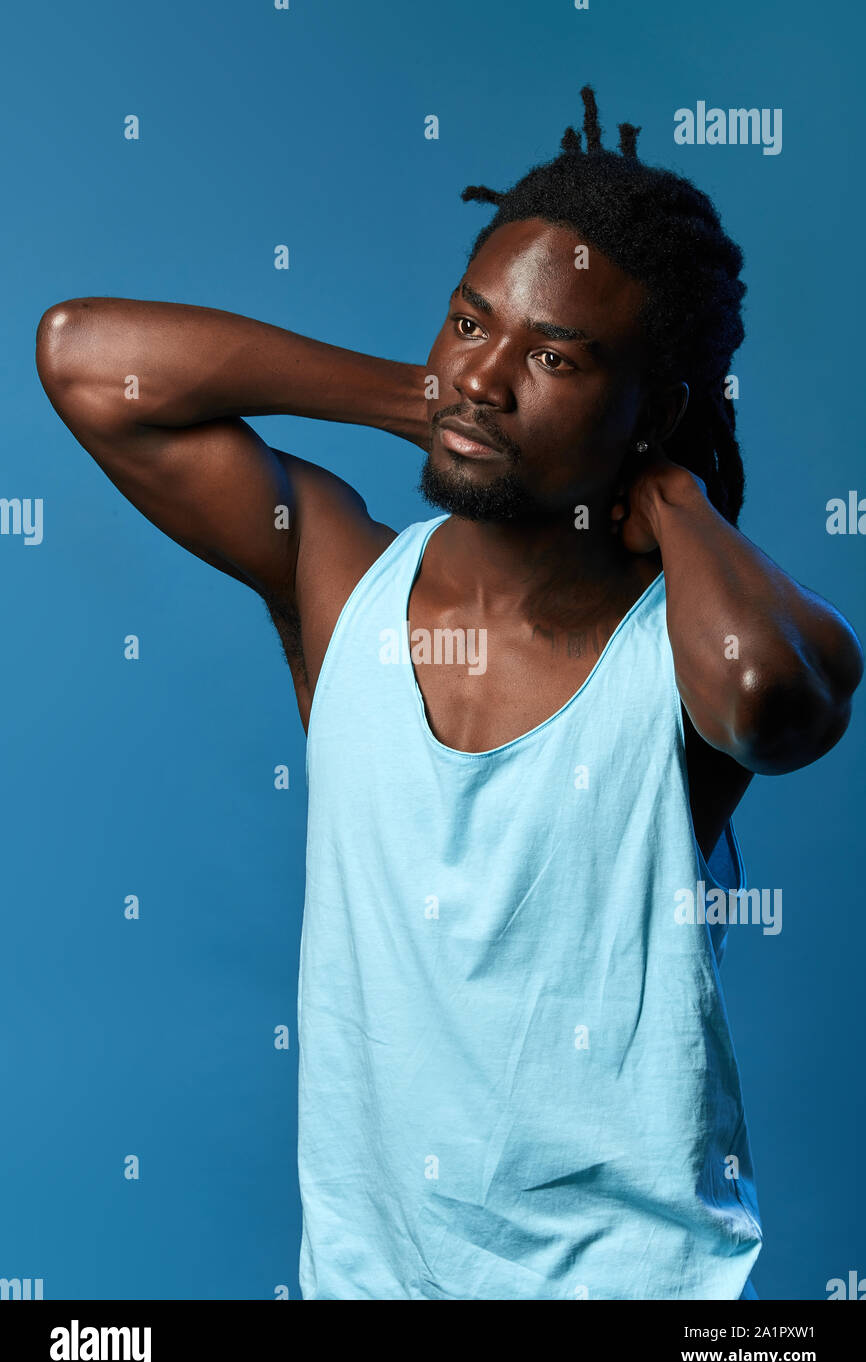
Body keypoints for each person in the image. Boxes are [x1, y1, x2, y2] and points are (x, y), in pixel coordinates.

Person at [36, 86, 862, 1300]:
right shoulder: (338, 582)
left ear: (653, 409)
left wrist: (677, 494)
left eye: (554, 358)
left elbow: (767, 700)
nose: (488, 376)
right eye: (468, 325)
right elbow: (86, 357)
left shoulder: (678, 653)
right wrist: (421, 395)